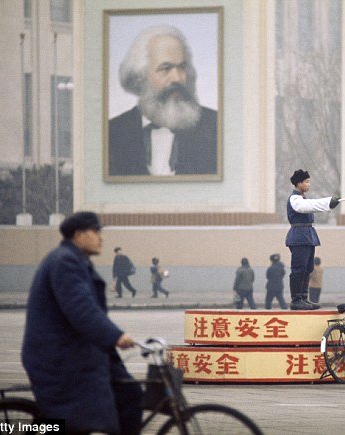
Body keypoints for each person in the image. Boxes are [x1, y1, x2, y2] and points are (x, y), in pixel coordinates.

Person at [21, 212, 142, 434]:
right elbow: (81, 309)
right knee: (80, 418)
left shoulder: (76, 260)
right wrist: (116, 336)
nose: (101, 238)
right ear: (78, 235)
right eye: (96, 231)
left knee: (130, 393)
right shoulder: (64, 261)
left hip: (80, 350)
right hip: (59, 358)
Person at [109, 25, 217, 176]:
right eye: (165, 68)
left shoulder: (216, 126)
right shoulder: (112, 133)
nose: (178, 78)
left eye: (182, 67)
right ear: (140, 76)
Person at [286, 169, 340, 310]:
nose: (309, 184)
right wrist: (328, 202)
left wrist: (328, 204)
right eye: (306, 182)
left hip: (307, 236)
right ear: (298, 183)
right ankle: (296, 300)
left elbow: (311, 205)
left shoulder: (303, 199)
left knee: (307, 268)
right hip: (299, 237)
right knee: (299, 269)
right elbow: (308, 206)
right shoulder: (295, 199)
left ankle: (304, 297)